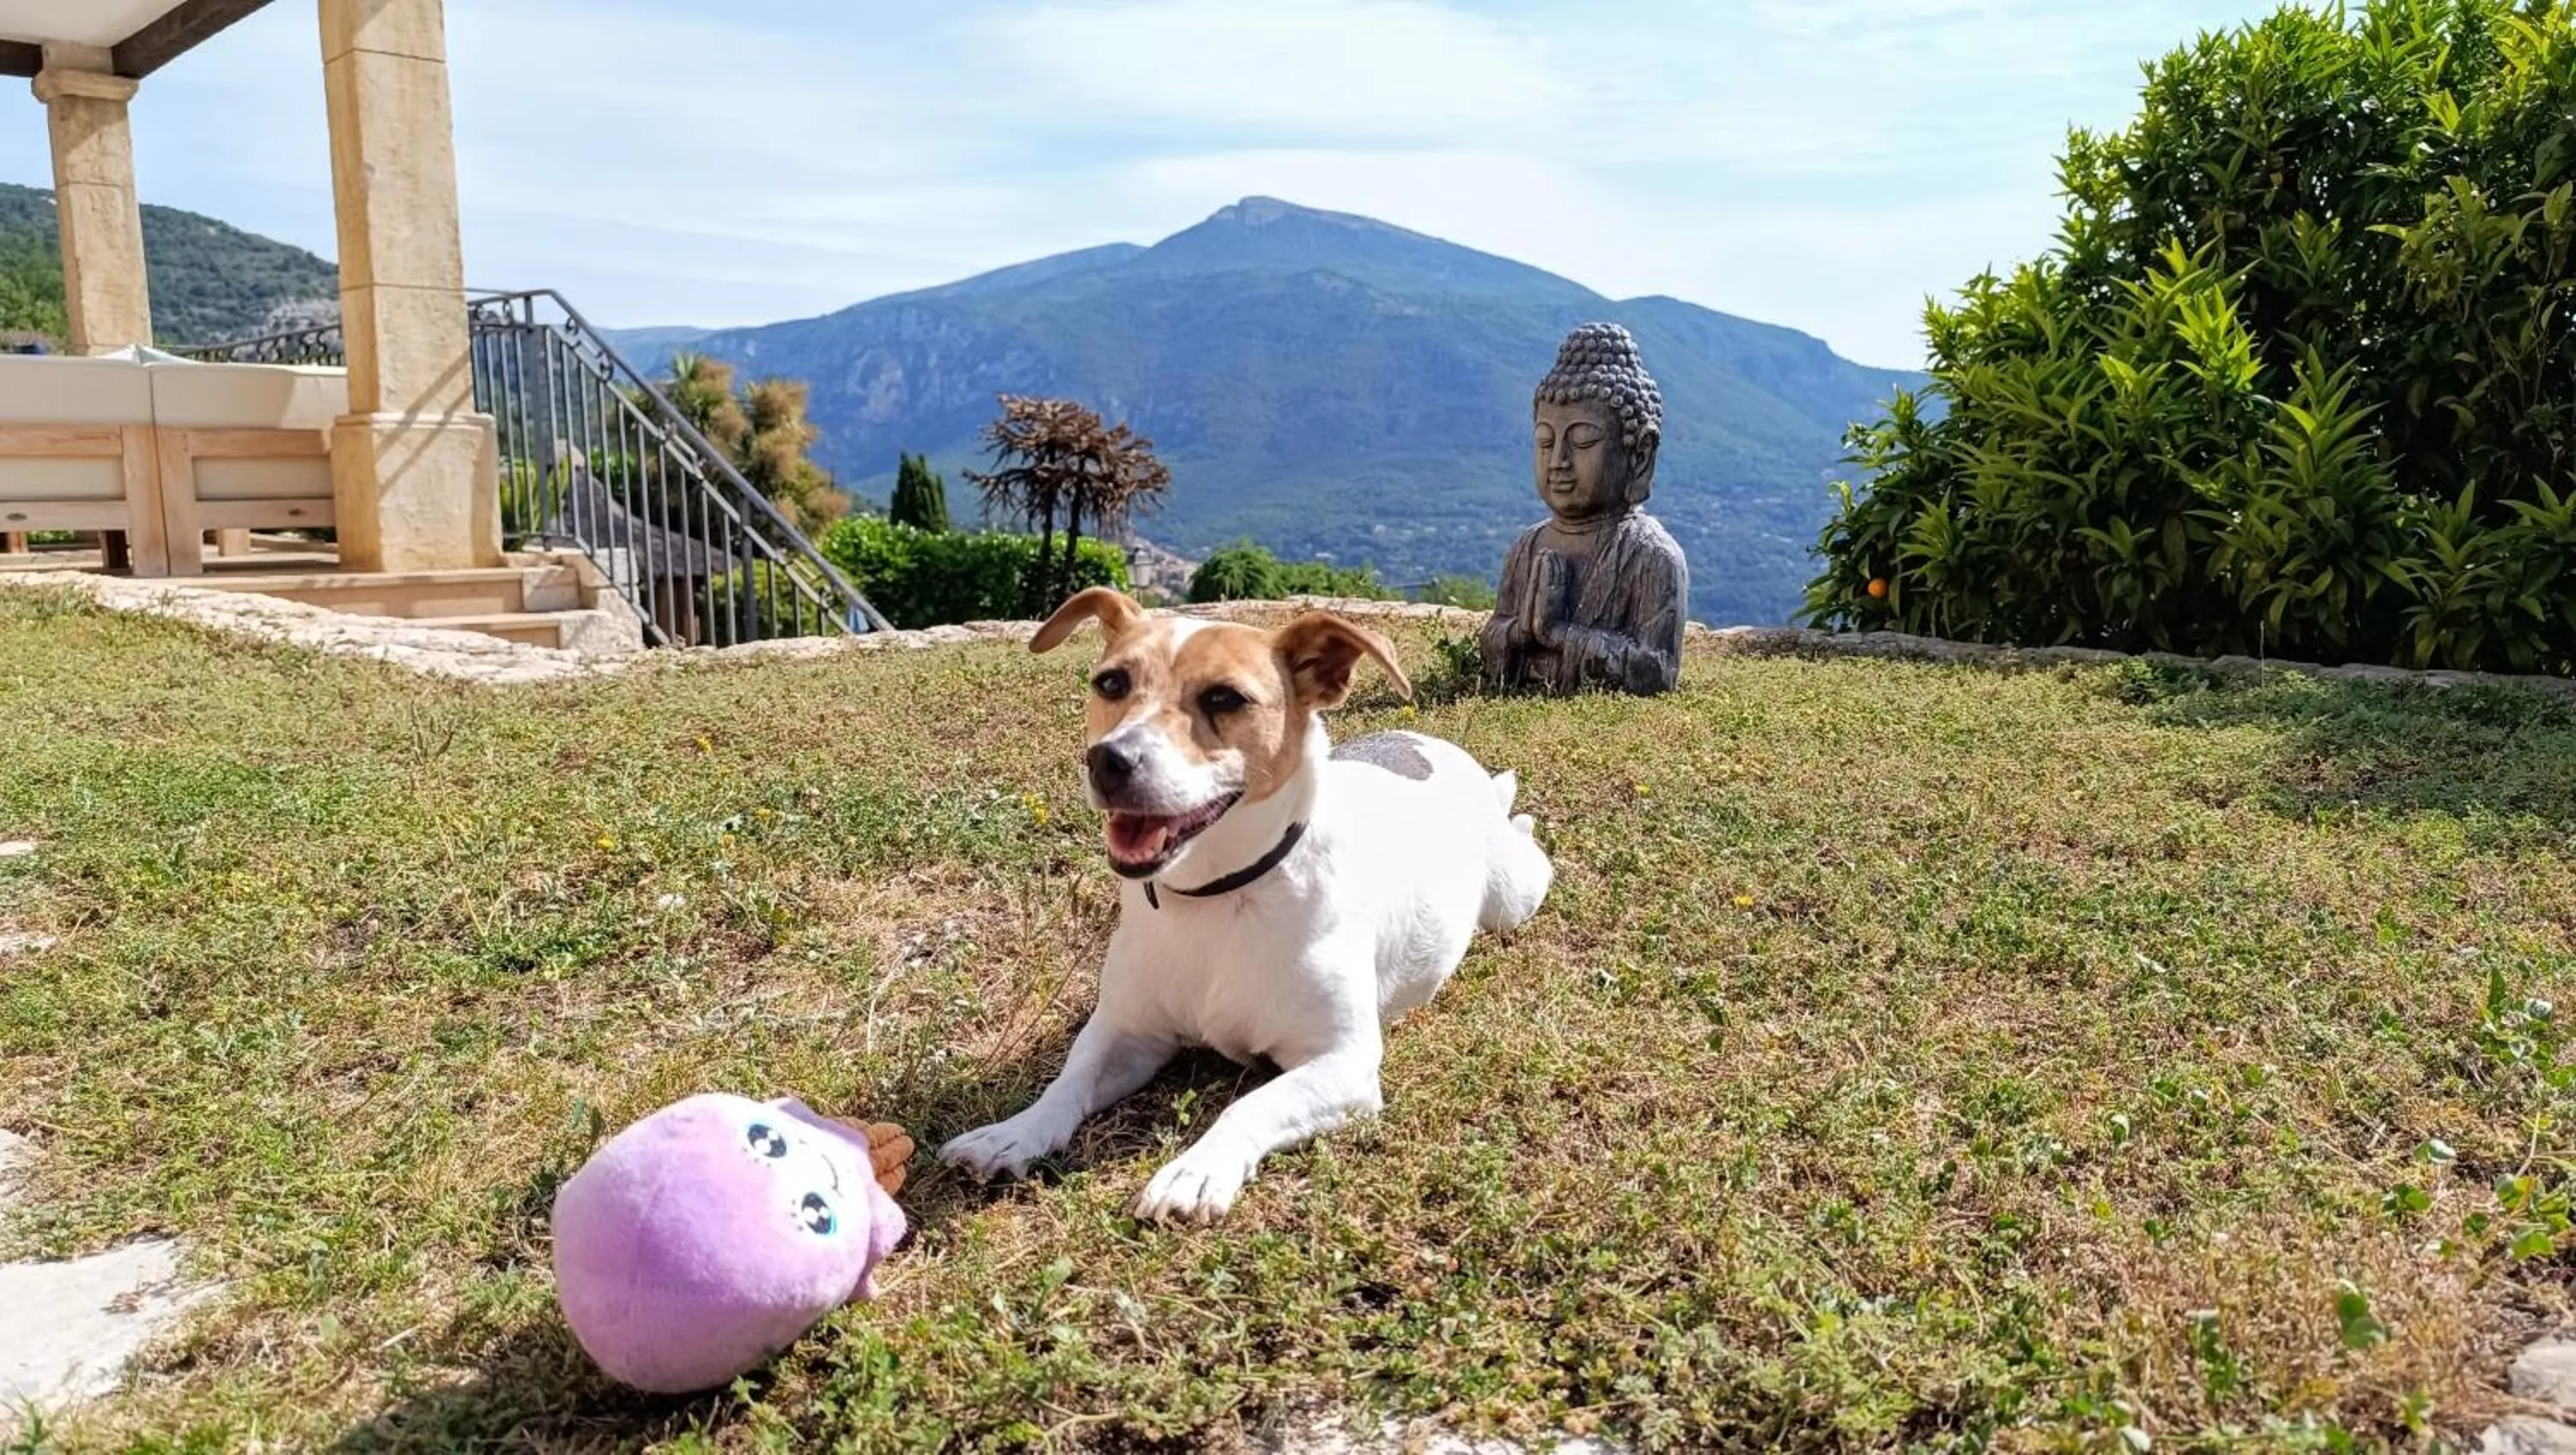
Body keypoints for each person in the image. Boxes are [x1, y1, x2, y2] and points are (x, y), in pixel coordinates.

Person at [1481, 323, 1688, 697]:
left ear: (1639, 456)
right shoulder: (1527, 547)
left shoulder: (1652, 556)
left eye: (1582, 441)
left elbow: (1656, 671)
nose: (1558, 460)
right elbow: (1494, 637)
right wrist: (1519, 632)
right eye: (1545, 442)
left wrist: (1561, 633)